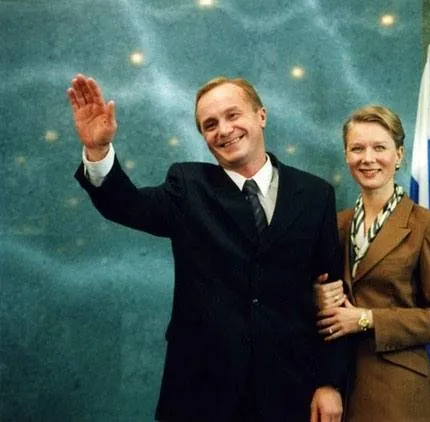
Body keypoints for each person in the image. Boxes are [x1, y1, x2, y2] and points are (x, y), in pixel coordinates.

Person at [67, 74, 350, 422]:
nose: (224, 130)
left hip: (287, 390)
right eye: (210, 124)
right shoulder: (188, 186)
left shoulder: (316, 194)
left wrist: (329, 383)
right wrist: (98, 151)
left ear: (261, 115)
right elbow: (126, 205)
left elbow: (332, 296)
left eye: (233, 115)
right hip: (200, 392)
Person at [314, 105, 430, 422]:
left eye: (379, 148)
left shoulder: (428, 224)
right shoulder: (335, 224)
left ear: (399, 155)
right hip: (340, 387)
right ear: (346, 155)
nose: (368, 158)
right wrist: (316, 297)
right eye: (357, 148)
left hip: (399, 393)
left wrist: (367, 319)